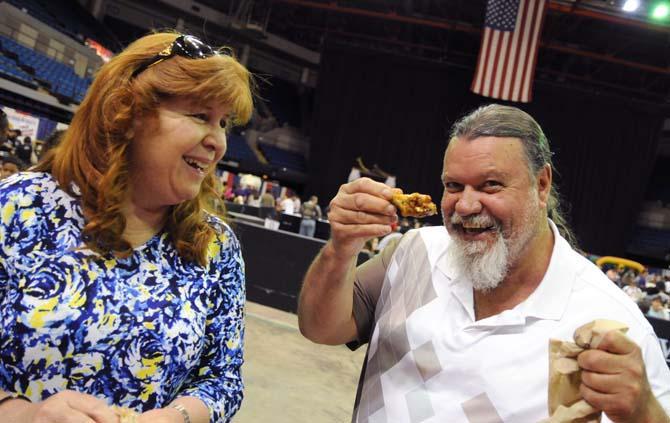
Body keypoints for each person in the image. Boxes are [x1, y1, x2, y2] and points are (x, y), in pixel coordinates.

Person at [297, 104, 670, 422]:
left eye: (490, 185)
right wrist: (341, 249)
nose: (466, 205)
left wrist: (645, 413)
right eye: (454, 186)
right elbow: (320, 328)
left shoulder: (609, 321)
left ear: (541, 185)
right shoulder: (415, 252)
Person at [0, 32, 253, 423]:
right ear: (128, 113)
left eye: (223, 123)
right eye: (200, 116)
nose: (218, 141)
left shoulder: (215, 246)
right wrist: (22, 414)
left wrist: (177, 417)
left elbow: (222, 378)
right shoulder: (17, 207)